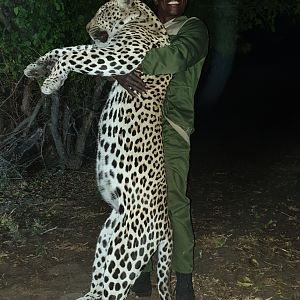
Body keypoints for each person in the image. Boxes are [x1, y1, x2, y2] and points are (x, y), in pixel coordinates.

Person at [115, 0, 209, 299]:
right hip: (133, 124)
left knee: (173, 201)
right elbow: (108, 58)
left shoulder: (193, 28)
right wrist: (114, 72)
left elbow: (177, 57)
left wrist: (124, 63)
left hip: (171, 127)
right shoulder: (136, 28)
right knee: (135, 203)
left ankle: (183, 280)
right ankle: (141, 272)